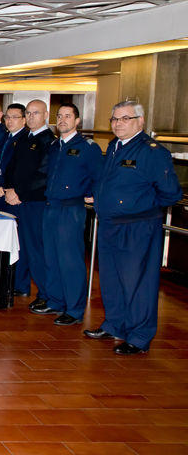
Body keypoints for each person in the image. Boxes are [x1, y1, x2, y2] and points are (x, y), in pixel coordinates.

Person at [86, 101, 182, 355]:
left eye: (125, 119)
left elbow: (170, 193)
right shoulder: (114, 146)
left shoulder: (151, 151)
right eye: (115, 119)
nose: (118, 124)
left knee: (138, 283)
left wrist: (140, 208)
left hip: (137, 227)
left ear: (140, 121)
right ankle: (115, 324)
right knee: (111, 279)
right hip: (109, 224)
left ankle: (139, 336)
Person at [42, 104, 102, 327]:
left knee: (70, 260)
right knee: (51, 257)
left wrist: (89, 194)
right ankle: (56, 300)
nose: (63, 120)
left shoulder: (87, 147)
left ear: (77, 121)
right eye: (60, 116)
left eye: (68, 116)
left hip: (71, 208)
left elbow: (99, 176)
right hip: (51, 206)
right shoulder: (54, 146)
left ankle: (74, 309)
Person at [3, 99, 56, 304]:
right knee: (19, 245)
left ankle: (44, 294)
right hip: (15, 198)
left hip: (34, 201)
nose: (31, 117)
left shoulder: (48, 141)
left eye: (36, 113)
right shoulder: (25, 138)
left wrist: (18, 192)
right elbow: (11, 166)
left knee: (36, 248)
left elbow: (43, 175)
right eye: (29, 113)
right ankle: (20, 285)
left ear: (45, 115)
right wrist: (9, 189)